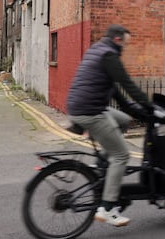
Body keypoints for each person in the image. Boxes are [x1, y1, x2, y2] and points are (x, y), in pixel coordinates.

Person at [66, 24, 155, 227]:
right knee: (122, 155)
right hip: (90, 111)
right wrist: (149, 107)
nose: (126, 47)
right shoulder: (109, 55)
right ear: (117, 40)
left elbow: (114, 88)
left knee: (123, 120)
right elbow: (127, 84)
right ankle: (107, 208)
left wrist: (132, 110)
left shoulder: (97, 49)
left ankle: (103, 163)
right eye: (125, 43)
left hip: (80, 106)